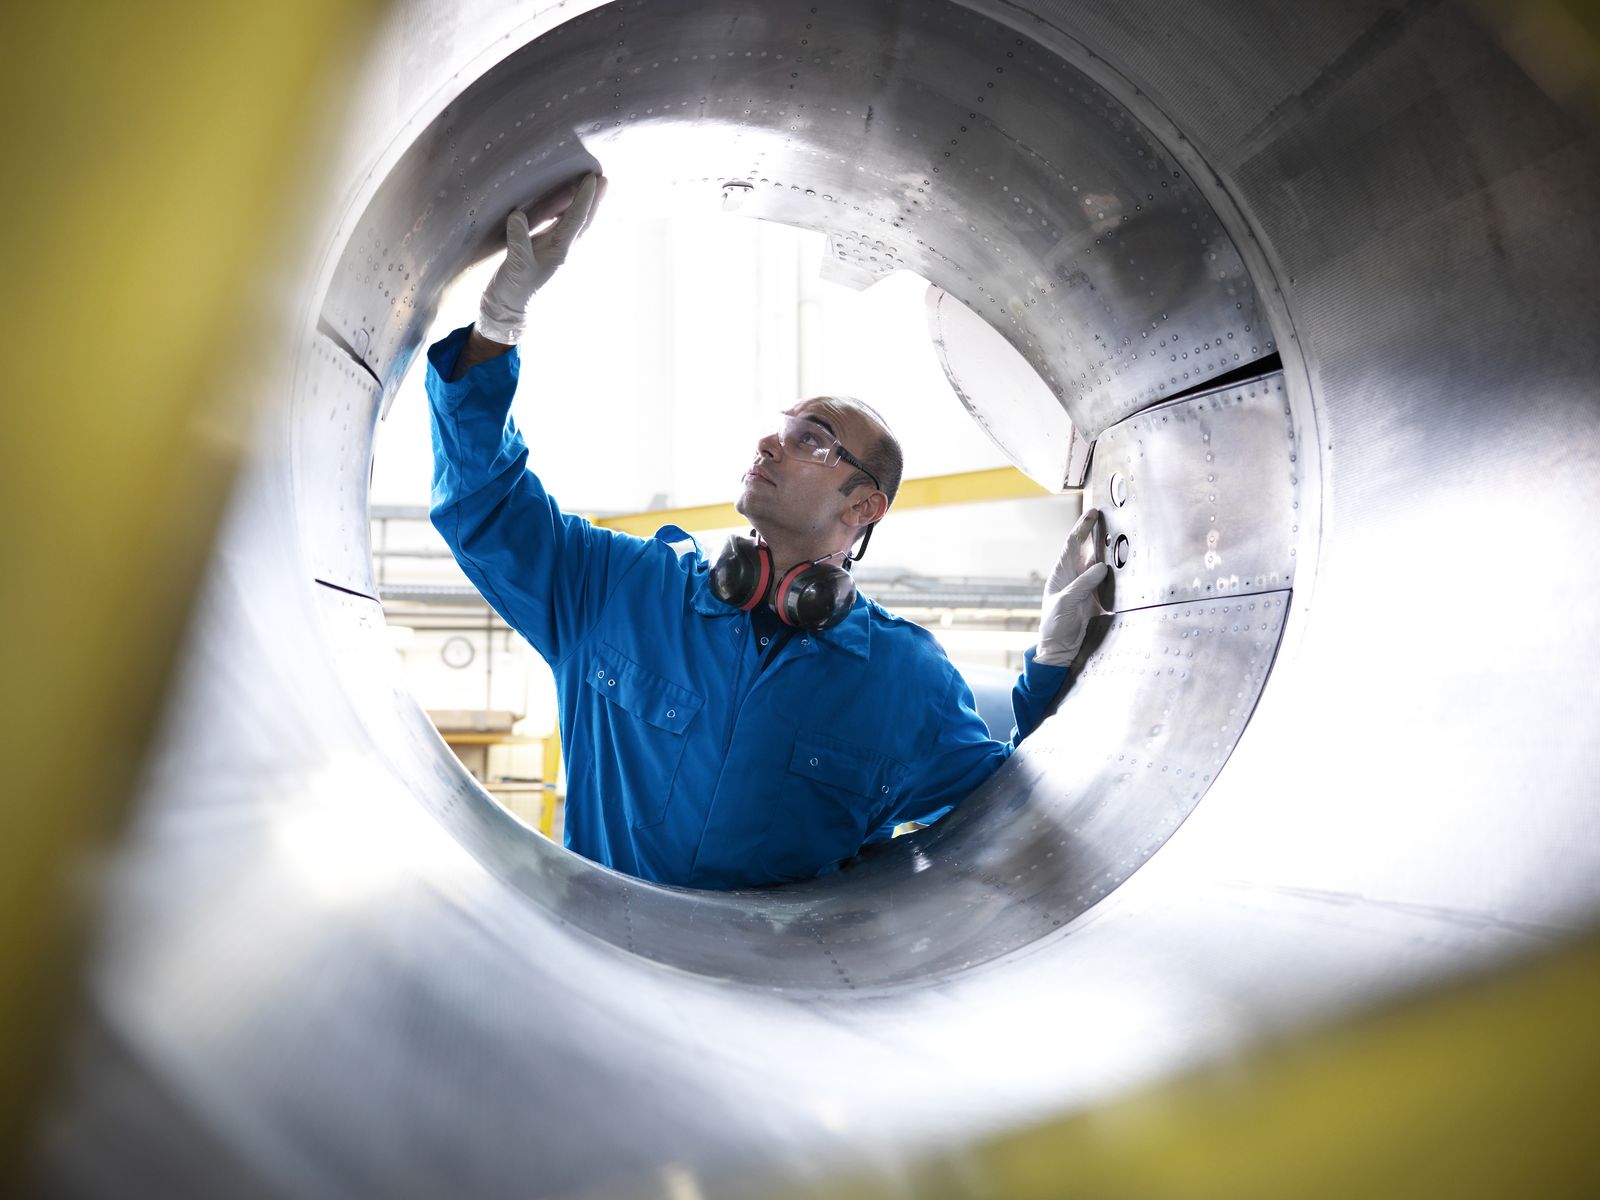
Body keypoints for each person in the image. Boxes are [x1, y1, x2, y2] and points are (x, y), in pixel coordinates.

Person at [426, 172, 1108, 889]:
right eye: (777, 429)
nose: (769, 445)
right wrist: (497, 325)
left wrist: (1054, 663)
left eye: (811, 439)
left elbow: (1011, 807)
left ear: (863, 507)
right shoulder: (617, 588)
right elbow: (483, 503)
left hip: (775, 990)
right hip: (600, 964)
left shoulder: (906, 683)